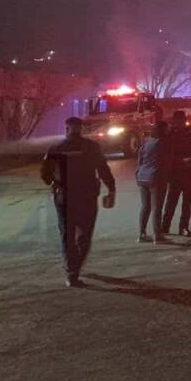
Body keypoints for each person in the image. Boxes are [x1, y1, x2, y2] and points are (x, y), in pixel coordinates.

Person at [40, 116, 116, 288]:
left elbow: (45, 174)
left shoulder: (56, 148)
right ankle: (76, 266)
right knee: (85, 234)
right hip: (87, 197)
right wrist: (111, 188)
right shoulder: (92, 147)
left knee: (67, 233)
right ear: (81, 129)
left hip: (64, 197)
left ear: (66, 129)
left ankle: (71, 271)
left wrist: (54, 183)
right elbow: (103, 169)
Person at [136, 120, 172, 244]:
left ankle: (141, 234)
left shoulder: (146, 143)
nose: (168, 131)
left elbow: (140, 161)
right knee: (157, 208)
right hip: (156, 177)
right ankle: (157, 236)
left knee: (145, 206)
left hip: (142, 177)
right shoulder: (163, 144)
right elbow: (168, 161)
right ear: (162, 130)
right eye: (167, 128)